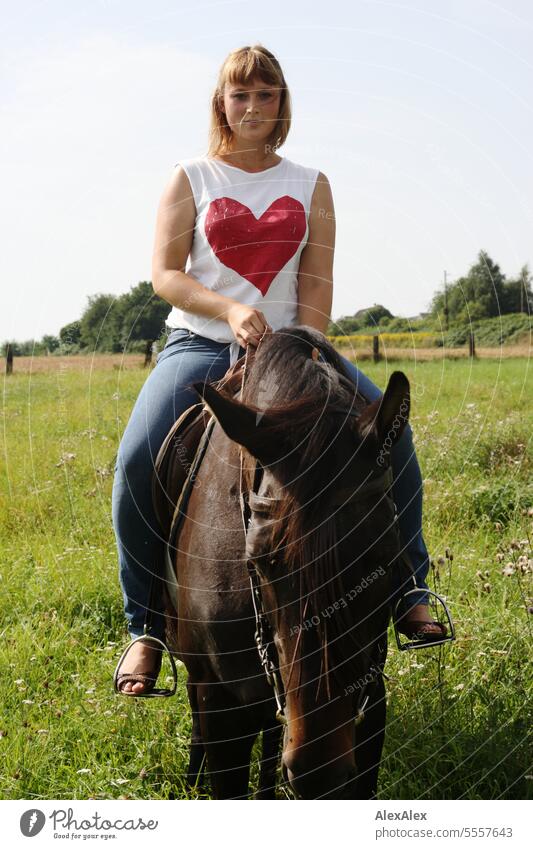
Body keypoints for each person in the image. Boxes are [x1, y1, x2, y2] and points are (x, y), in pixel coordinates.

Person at [112, 44, 447, 696]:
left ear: (281, 103)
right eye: (241, 95)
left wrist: (304, 347)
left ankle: (410, 588)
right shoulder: (189, 177)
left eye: (266, 95)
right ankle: (146, 627)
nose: (253, 107)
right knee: (135, 459)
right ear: (222, 103)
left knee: (391, 430)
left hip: (294, 346)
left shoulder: (310, 183)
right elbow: (167, 275)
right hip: (201, 345)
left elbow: (316, 280)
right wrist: (231, 310)